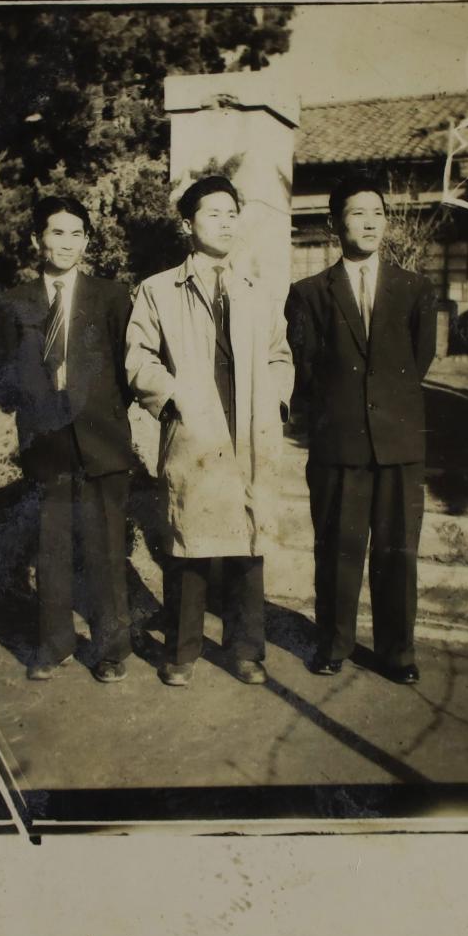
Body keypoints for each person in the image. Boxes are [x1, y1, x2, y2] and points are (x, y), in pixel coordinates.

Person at [125, 176, 293, 688]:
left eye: (231, 213)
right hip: (194, 433)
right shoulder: (158, 290)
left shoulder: (257, 292)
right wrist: (173, 397)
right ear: (187, 224)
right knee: (188, 544)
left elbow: (279, 355)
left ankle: (246, 650)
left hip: (248, 431)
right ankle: (181, 651)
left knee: (247, 542)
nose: (225, 223)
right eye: (213, 213)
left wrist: (274, 401)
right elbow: (139, 358)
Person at [284, 177, 436, 684]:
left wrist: (385, 409)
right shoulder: (308, 293)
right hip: (339, 443)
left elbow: (419, 360)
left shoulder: (414, 288)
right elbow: (305, 367)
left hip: (399, 442)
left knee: (398, 553)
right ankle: (333, 644)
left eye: (377, 213)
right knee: (337, 551)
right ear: (335, 224)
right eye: (356, 213)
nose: (369, 223)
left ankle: (398, 653)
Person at [0, 196, 136, 683]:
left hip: (101, 440)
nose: (67, 243)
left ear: (87, 241)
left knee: (105, 550)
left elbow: (125, 372)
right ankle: (54, 644)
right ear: (39, 239)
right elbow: (3, 373)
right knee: (50, 549)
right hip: (45, 444)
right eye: (57, 232)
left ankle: (111, 649)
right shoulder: (16, 301)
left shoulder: (111, 296)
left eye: (77, 234)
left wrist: (100, 415)